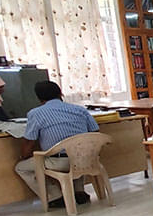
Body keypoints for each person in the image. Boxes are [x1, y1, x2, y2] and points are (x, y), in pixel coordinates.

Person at [15, 80, 100, 208]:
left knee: (21, 167)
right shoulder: (80, 109)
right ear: (60, 93)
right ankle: (79, 192)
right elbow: (95, 132)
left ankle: (54, 197)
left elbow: (29, 141)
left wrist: (24, 156)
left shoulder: (36, 114)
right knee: (78, 149)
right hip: (85, 158)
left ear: (39, 98)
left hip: (59, 161)